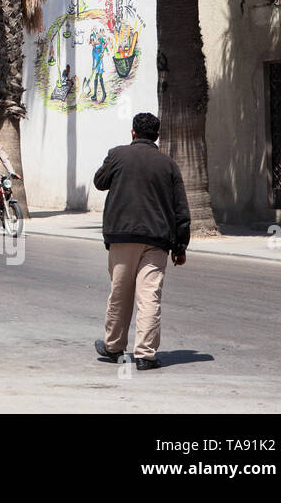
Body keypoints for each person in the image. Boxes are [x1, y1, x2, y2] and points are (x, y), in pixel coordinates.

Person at [93, 112, 190, 371]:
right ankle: (146, 355)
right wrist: (180, 246)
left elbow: (99, 182)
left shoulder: (117, 154)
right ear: (156, 136)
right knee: (149, 296)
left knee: (120, 292)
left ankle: (114, 347)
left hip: (122, 236)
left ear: (133, 132)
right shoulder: (168, 164)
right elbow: (181, 208)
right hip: (158, 239)